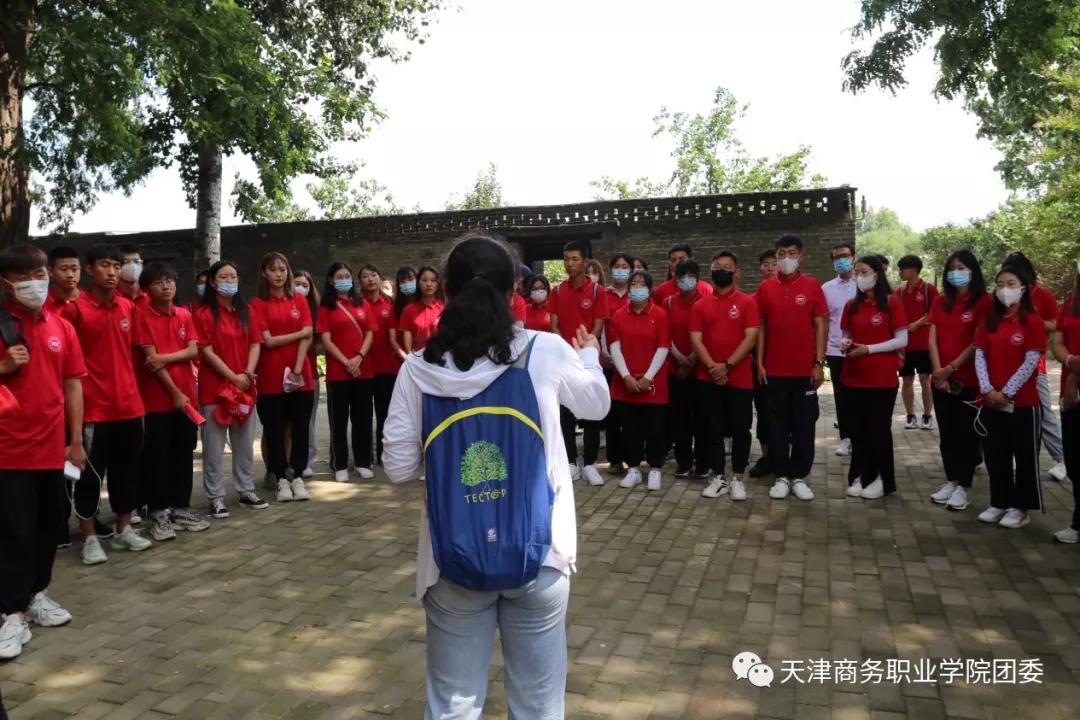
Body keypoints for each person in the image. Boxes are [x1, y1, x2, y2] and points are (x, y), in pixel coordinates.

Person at [383, 234, 609, 718]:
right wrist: (590, 355)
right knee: (538, 704)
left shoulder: (419, 369)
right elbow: (596, 405)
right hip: (541, 551)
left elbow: (398, 468)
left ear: (445, 291)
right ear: (514, 293)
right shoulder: (544, 350)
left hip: (453, 557)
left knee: (453, 704)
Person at [0, 245, 85, 660]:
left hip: (52, 449)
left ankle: (36, 595)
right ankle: (11, 613)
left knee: (49, 527)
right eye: (25, 276)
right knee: (13, 533)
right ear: (6, 283)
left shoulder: (61, 326)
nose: (35, 283)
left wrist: (76, 440)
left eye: (40, 274)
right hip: (8, 451)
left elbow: (73, 383)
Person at [60, 244, 151, 563]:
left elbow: (137, 352)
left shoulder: (128, 307)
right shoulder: (75, 310)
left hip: (131, 407)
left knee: (128, 471)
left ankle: (124, 529)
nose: (112, 272)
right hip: (93, 410)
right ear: (89, 270)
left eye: (116, 266)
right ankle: (89, 536)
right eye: (104, 265)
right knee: (89, 476)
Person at [134, 263, 210, 540]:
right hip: (157, 402)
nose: (165, 286)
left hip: (187, 398)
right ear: (146, 289)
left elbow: (191, 351)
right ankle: (159, 513)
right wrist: (174, 392)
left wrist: (165, 357)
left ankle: (180, 508)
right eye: (158, 282)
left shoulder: (184, 314)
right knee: (157, 457)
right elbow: (150, 362)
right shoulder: (142, 317)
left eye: (169, 281)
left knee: (183, 454)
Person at [973, 263, 1047, 528]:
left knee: (1025, 456)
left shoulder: (1033, 321)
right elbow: (980, 355)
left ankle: (1021, 507)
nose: (1005, 290)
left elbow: (1031, 361)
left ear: (1024, 288)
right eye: (1000, 285)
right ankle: (999, 501)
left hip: (1023, 402)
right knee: (996, 454)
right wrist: (987, 389)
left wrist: (1006, 392)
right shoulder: (989, 321)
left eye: (1011, 284)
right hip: (991, 400)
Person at [756, 235, 828, 501]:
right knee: (776, 426)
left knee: (803, 426)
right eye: (782, 253)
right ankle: (781, 476)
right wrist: (760, 362)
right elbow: (761, 326)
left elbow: (820, 324)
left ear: (802, 256)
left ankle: (799, 476)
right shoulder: (766, 288)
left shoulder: (811, 286)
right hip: (774, 371)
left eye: (792, 253)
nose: (786, 258)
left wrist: (818, 363)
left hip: (804, 371)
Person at [195, 261, 268, 519]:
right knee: (214, 447)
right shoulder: (203, 314)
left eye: (233, 276)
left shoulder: (246, 311)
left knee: (244, 442)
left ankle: (246, 490)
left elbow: (256, 343)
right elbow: (206, 351)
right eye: (224, 277)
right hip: (215, 389)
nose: (229, 281)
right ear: (213, 282)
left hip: (245, 387)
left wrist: (247, 373)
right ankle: (216, 497)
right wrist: (233, 377)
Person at [690, 251, 760, 501]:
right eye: (717, 265)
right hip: (707, 377)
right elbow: (695, 339)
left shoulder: (747, 302)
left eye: (727, 266)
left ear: (736, 272)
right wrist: (713, 367)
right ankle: (718, 476)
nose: (721, 270)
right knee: (712, 428)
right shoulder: (700, 305)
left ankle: (737, 477)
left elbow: (751, 337)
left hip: (739, 378)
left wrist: (727, 366)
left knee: (741, 429)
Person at [839, 256, 908, 499]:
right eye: (857, 272)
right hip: (854, 376)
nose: (859, 276)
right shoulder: (851, 305)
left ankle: (882, 479)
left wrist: (869, 349)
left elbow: (902, 339)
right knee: (857, 430)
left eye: (864, 271)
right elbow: (845, 335)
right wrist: (845, 344)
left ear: (877, 275)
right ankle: (859, 475)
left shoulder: (891, 303)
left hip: (882, 378)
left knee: (878, 430)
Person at [927, 251, 991, 512]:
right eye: (952, 268)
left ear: (973, 271)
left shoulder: (984, 302)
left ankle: (963, 486)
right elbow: (932, 339)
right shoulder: (941, 301)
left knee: (967, 435)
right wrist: (938, 371)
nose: (956, 272)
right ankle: (951, 480)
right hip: (940, 379)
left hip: (968, 379)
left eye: (961, 267)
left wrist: (951, 368)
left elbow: (978, 342)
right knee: (947, 433)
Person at [250, 251, 315, 503]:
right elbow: (267, 341)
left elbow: (308, 335)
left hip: (300, 377)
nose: (279, 274)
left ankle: (297, 475)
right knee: (274, 429)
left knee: (300, 428)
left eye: (283, 269)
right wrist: (299, 334)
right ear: (263, 273)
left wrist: (297, 370)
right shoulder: (257, 304)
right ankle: (280, 478)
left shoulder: (298, 300)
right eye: (273, 269)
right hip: (270, 378)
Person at [1003, 252, 1068, 483]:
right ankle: (1008, 454)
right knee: (1005, 410)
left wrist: (1031, 322)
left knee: (1043, 412)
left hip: (1033, 364)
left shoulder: (1043, 296)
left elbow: (1056, 323)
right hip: (1003, 363)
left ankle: (1061, 459)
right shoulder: (1002, 296)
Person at [550, 240, 609, 483]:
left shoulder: (597, 292)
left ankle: (591, 464)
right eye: (566, 259)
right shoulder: (557, 291)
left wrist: (584, 352)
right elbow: (554, 326)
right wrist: (566, 352)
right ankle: (571, 463)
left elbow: (598, 326)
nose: (569, 263)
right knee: (565, 415)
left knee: (592, 415)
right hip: (564, 362)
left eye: (574, 259)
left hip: (589, 360)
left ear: (584, 262)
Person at [317, 262, 378, 482]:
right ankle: (340, 464)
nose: (344, 280)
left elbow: (370, 332)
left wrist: (359, 357)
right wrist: (346, 362)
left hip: (364, 370)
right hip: (338, 372)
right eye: (339, 277)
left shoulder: (362, 304)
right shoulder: (326, 308)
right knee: (339, 420)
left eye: (347, 276)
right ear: (331, 281)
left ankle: (363, 462)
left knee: (363, 419)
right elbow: (326, 340)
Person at [609, 271, 670, 491]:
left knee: (655, 428)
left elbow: (663, 347)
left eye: (642, 284)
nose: (637, 288)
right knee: (630, 428)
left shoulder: (660, 315)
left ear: (650, 289)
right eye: (633, 284)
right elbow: (614, 347)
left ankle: (655, 469)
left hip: (653, 383)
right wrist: (626, 376)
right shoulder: (618, 315)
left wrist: (647, 377)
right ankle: (633, 468)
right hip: (625, 382)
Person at [665, 259, 708, 478]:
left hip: (701, 369)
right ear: (676, 279)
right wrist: (680, 359)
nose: (687, 280)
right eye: (682, 276)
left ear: (698, 279)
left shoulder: (706, 302)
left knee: (701, 419)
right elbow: (665, 334)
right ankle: (683, 462)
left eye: (691, 276)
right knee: (679, 419)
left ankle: (702, 463)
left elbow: (706, 334)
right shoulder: (669, 303)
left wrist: (691, 359)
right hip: (676, 368)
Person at [359, 264, 400, 466]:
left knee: (386, 414)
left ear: (379, 278)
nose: (370, 279)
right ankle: (364, 457)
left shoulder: (390, 304)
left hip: (387, 367)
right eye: (365, 276)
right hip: (362, 368)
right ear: (359, 281)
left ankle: (384, 454)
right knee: (363, 416)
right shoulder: (356, 304)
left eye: (373, 275)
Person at [1052, 261, 1080, 543]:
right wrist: (1071, 362)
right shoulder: (1072, 301)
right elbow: (1058, 340)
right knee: (1074, 460)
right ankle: (1078, 523)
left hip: (1073, 384)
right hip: (1070, 396)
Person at [822, 242, 857, 457]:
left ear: (853, 257)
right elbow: (824, 321)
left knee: (862, 396)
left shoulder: (864, 283)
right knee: (842, 397)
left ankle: (863, 436)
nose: (842, 260)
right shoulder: (827, 288)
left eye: (845, 255)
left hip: (863, 350)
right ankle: (846, 438)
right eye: (837, 257)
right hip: (836, 351)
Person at [895, 255, 938, 430]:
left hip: (924, 344)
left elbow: (934, 313)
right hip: (904, 345)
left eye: (902, 269)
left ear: (913, 270)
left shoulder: (929, 290)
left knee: (925, 379)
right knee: (906, 380)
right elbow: (895, 315)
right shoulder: (899, 292)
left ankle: (927, 415)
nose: (900, 272)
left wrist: (917, 324)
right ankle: (910, 415)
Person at [748, 248, 778, 478]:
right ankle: (767, 456)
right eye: (765, 264)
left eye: (774, 263)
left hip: (787, 365)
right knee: (765, 411)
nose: (770, 268)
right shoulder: (753, 299)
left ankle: (785, 456)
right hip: (761, 366)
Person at [292, 270, 322, 478]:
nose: (301, 288)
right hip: (284, 370)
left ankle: (308, 459)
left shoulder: (314, 311)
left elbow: (315, 341)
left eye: (305, 285)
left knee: (308, 419)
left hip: (308, 371)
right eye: (297, 283)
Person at [399, 266, 445, 354]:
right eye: (424, 280)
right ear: (418, 283)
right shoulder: (408, 310)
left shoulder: (444, 309)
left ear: (438, 284)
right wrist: (411, 357)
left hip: (440, 357)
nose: (429, 284)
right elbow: (408, 341)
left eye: (433, 280)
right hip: (417, 358)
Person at [390, 265, 417, 361]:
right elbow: (392, 339)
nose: (407, 284)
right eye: (402, 281)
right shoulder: (395, 308)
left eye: (410, 279)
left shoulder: (425, 303)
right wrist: (407, 358)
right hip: (404, 358)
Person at [45, 246, 80, 314]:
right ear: (50, 271)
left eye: (74, 269)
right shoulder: (42, 303)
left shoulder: (91, 300)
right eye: (64, 269)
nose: (70, 275)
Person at [116, 244, 149, 308]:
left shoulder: (151, 296)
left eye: (137, 262)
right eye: (126, 262)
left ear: (142, 266)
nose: (133, 266)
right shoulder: (109, 297)